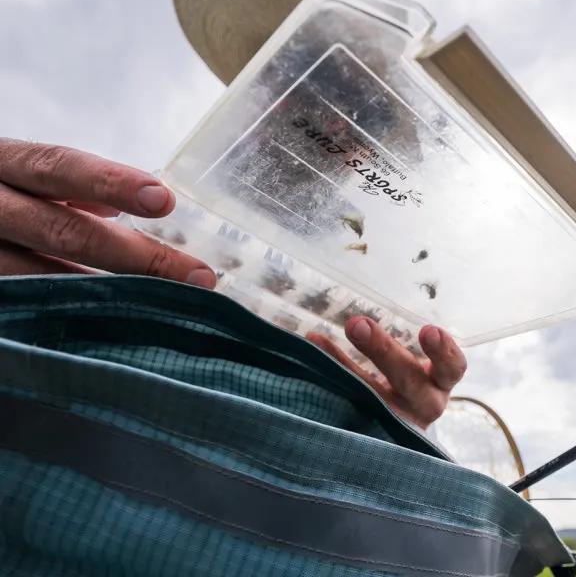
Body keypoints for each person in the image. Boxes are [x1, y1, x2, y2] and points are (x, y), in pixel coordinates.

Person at [0, 137, 466, 429]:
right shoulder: (117, 217)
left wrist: (389, 428)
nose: (340, 136)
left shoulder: (374, 299)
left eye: (372, 121)